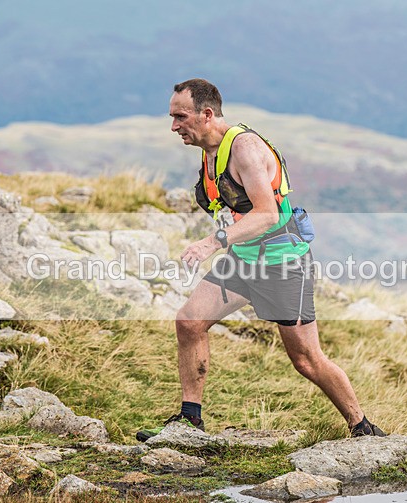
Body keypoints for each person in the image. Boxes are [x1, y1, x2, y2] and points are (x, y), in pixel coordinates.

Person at [136, 78, 385, 442]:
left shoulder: (245, 148)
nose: (174, 126)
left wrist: (212, 243)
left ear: (207, 114)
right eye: (172, 117)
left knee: (306, 361)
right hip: (244, 259)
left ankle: (363, 427)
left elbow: (267, 214)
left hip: (282, 262)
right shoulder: (208, 152)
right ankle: (190, 421)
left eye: (181, 116)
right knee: (189, 323)